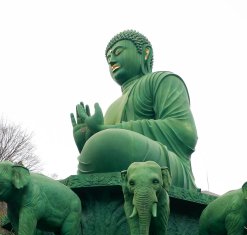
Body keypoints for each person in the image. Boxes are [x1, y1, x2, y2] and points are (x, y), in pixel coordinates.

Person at [71, 30, 198, 189]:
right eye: (108, 58)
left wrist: (105, 131)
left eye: (118, 52)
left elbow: (184, 132)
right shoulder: (112, 107)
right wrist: (85, 142)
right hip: (123, 167)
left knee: (104, 142)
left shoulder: (163, 80)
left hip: (168, 168)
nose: (111, 61)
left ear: (145, 53)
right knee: (97, 146)